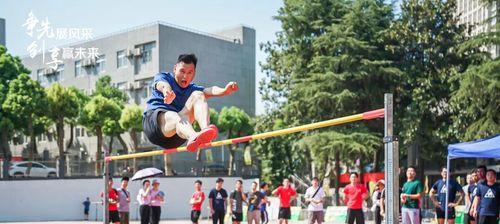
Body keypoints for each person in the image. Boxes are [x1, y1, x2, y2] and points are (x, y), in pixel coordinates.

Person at [142, 53, 239, 152]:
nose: (185, 76)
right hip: (154, 126)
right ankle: (194, 136)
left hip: (177, 136)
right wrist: (167, 92)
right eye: (182, 71)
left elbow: (210, 90)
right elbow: (162, 84)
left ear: (194, 73)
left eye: (189, 73)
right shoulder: (164, 77)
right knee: (173, 115)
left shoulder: (192, 88)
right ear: (175, 69)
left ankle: (205, 131)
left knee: (198, 94)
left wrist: (224, 90)